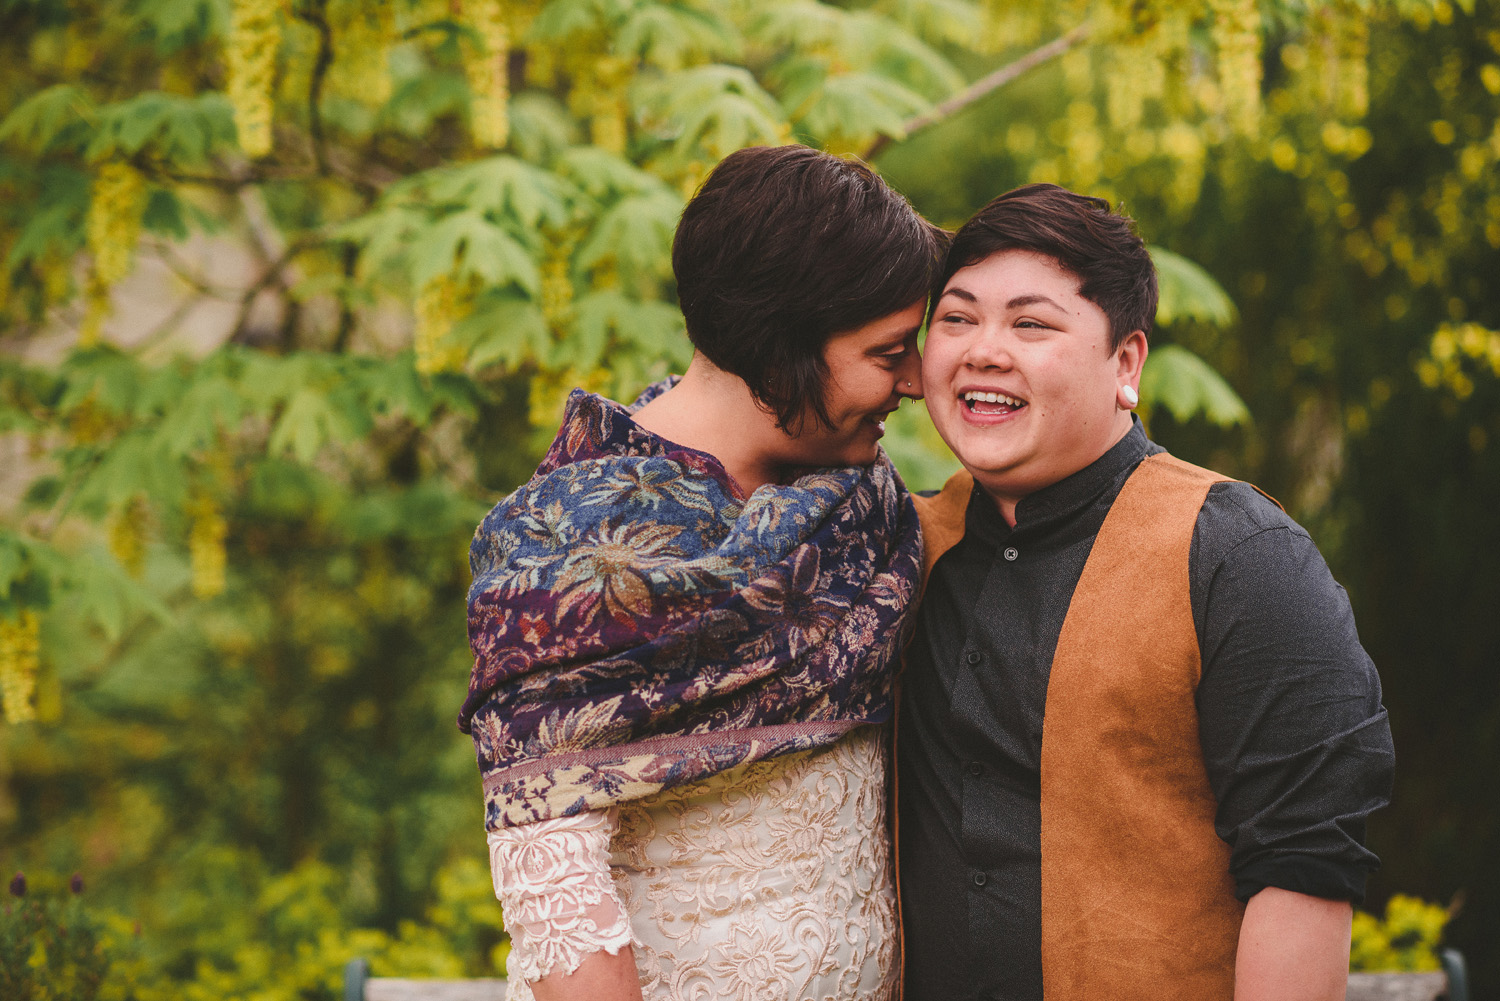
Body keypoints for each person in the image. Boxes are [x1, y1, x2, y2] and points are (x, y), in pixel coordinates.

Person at [458, 144, 944, 1001]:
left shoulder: (866, 514)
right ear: (785, 346)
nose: (914, 380)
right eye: (888, 352)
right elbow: (553, 888)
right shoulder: (562, 550)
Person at [897, 183, 1395, 1001]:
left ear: (1126, 363)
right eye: (956, 318)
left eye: (1031, 323)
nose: (983, 349)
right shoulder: (901, 548)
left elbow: (1305, 865)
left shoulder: (1240, 556)